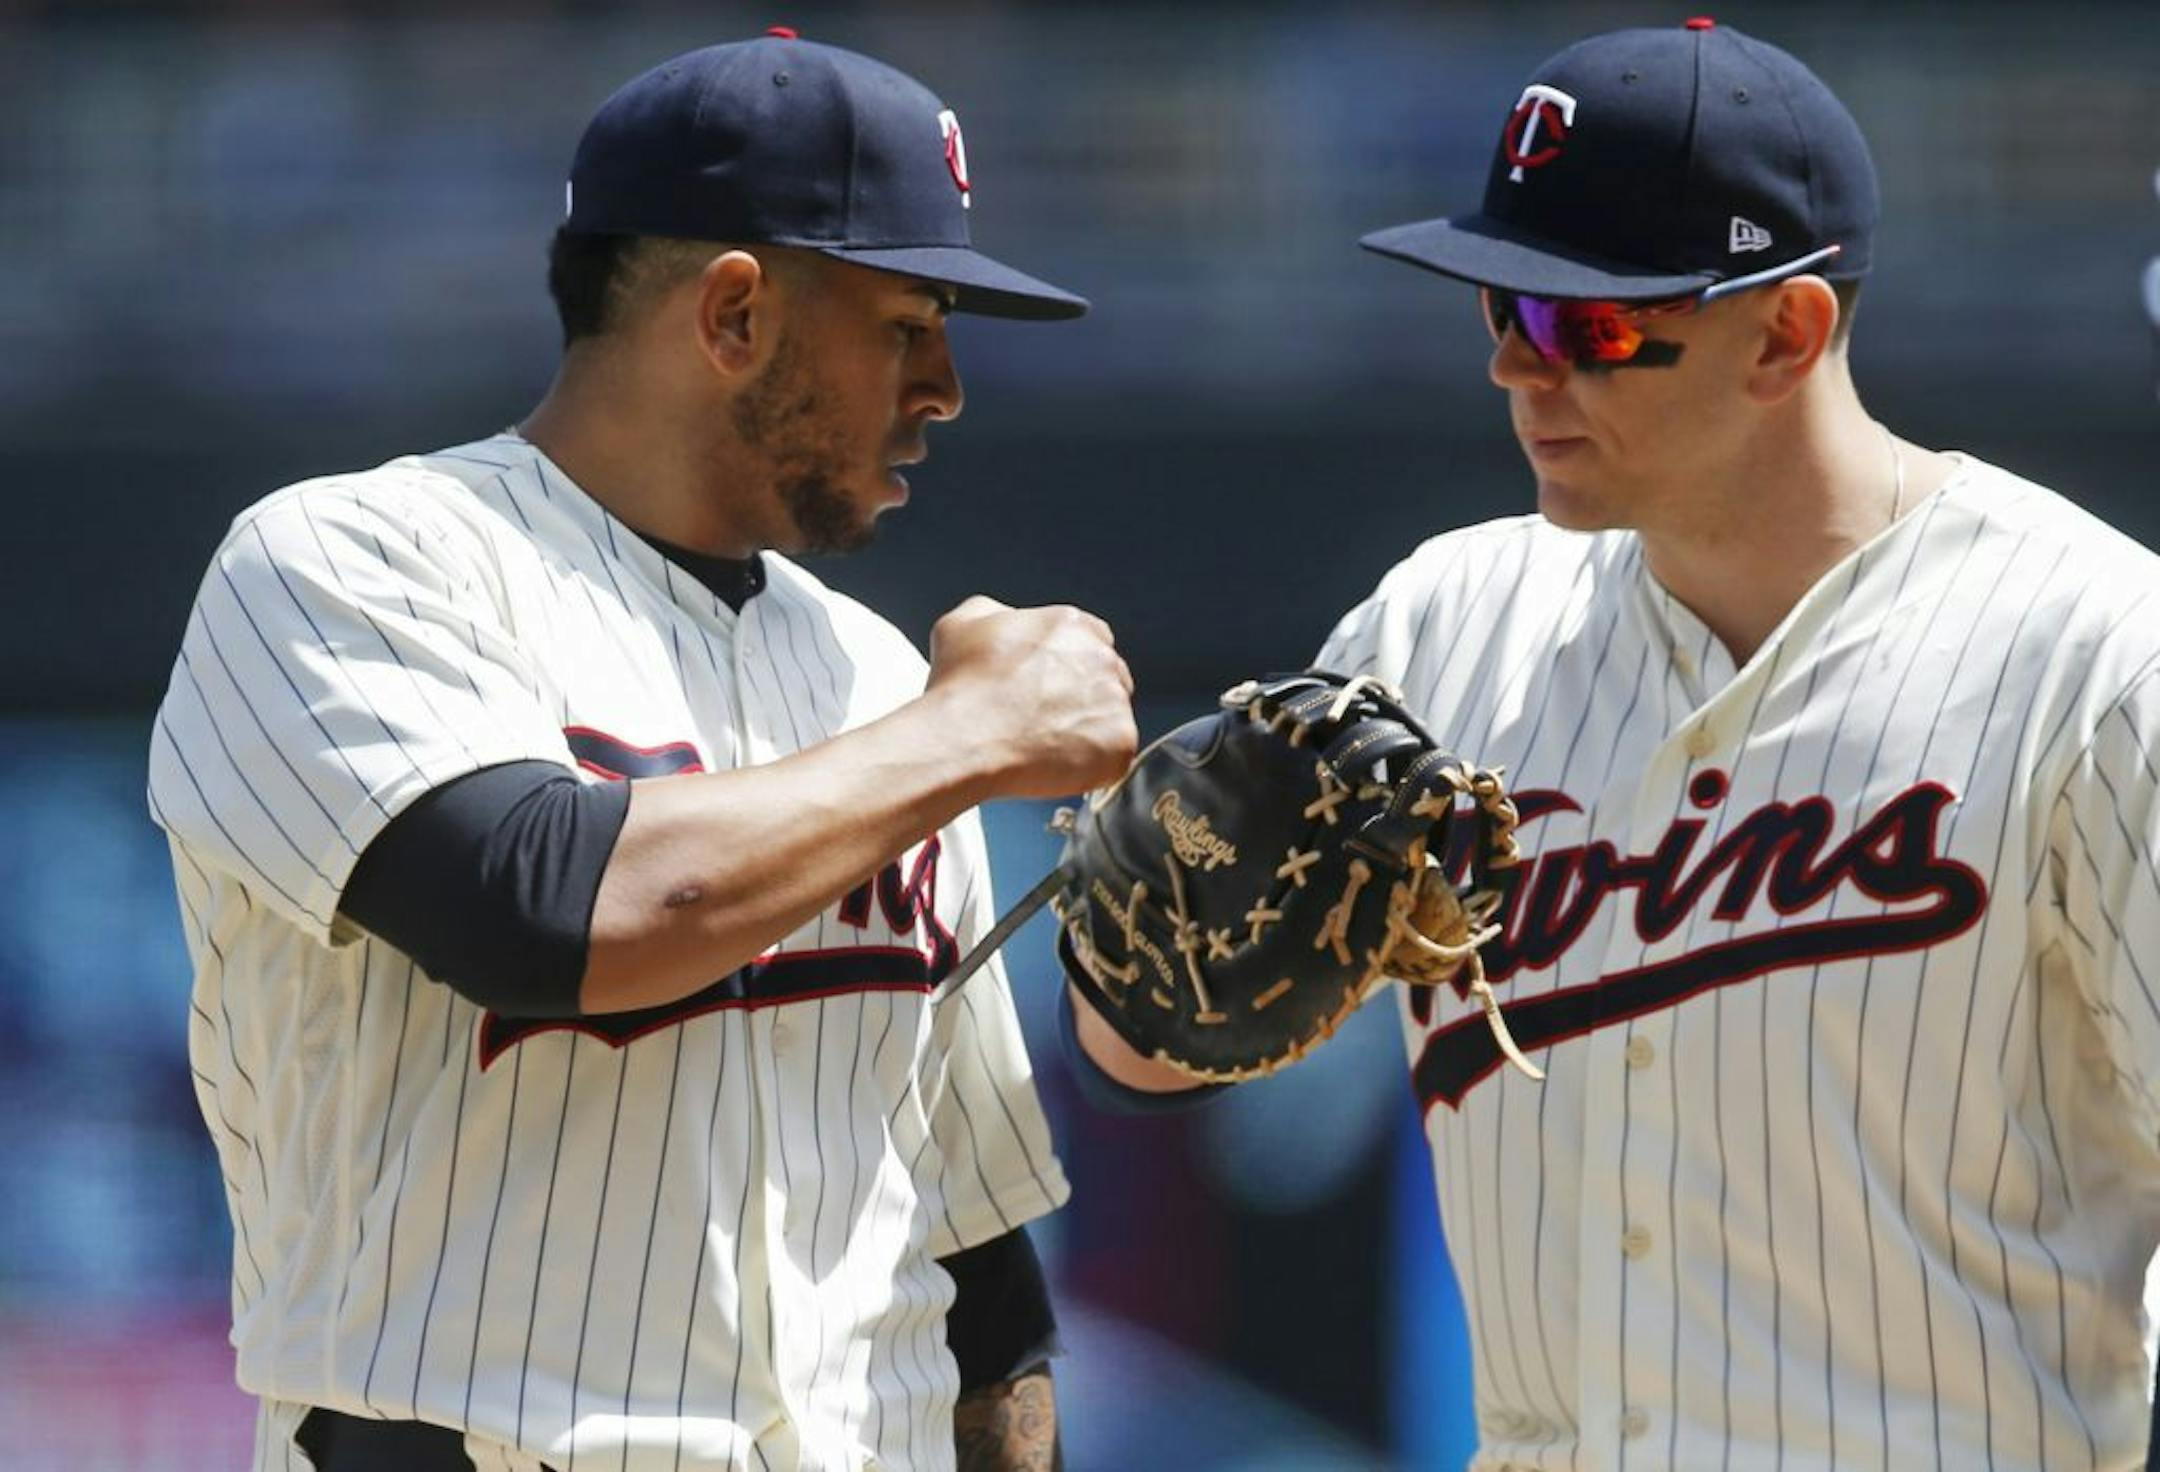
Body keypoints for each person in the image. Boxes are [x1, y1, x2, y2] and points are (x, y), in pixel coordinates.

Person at [146, 31, 1142, 1472]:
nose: (944, 386)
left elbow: (976, 1272)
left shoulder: (875, 678)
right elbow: (548, 913)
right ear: (733, 313)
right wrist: (969, 734)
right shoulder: (347, 563)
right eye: (906, 322)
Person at [1304, 18, 2160, 1469]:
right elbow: (1150, 1055)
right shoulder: (1434, 632)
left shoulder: (2094, 653)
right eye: (1501, 309)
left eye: (1591, 325)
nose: (1524, 368)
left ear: (1788, 333)